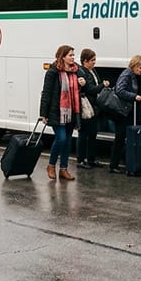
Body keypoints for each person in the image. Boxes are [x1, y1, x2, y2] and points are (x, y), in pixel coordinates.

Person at [40, 45, 83, 181]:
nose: (72, 57)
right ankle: (51, 165)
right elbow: (46, 93)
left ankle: (63, 169)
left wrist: (82, 83)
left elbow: (78, 91)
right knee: (61, 138)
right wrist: (43, 114)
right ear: (62, 56)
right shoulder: (53, 72)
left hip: (71, 111)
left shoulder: (76, 71)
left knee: (68, 141)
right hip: (57, 111)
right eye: (70, 55)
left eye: (73, 55)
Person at [107, 54, 141, 174]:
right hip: (122, 111)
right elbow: (120, 90)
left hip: (126, 110)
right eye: (140, 68)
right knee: (120, 137)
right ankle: (114, 164)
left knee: (122, 136)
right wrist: (134, 96)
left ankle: (117, 163)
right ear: (135, 66)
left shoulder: (131, 74)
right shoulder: (127, 74)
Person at [75, 48, 110, 169]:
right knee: (83, 134)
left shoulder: (92, 70)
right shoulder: (82, 72)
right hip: (86, 106)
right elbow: (90, 89)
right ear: (85, 61)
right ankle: (80, 160)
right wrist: (102, 86)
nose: (94, 62)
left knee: (92, 134)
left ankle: (91, 159)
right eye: (92, 60)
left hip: (94, 106)